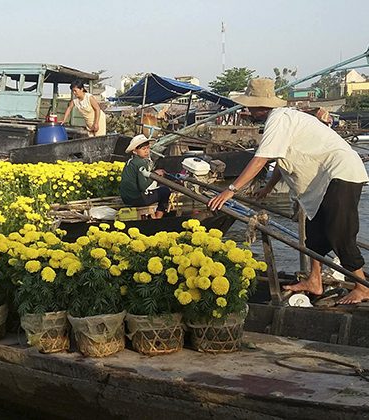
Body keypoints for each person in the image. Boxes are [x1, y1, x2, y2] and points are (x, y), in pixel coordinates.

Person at [207, 78, 369, 304]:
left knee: (339, 231)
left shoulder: (278, 119)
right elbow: (280, 158)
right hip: (324, 181)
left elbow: (261, 159)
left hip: (340, 173)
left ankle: (362, 287)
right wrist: (268, 188)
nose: (247, 110)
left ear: (259, 107)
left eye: (250, 106)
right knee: (314, 232)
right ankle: (315, 280)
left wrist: (230, 190)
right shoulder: (281, 120)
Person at [119, 134, 171, 219]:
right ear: (135, 151)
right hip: (136, 199)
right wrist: (155, 175)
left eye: (148, 148)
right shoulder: (141, 163)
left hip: (126, 198)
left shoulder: (131, 161)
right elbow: (143, 186)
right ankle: (158, 218)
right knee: (165, 191)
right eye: (143, 149)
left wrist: (153, 173)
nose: (147, 151)